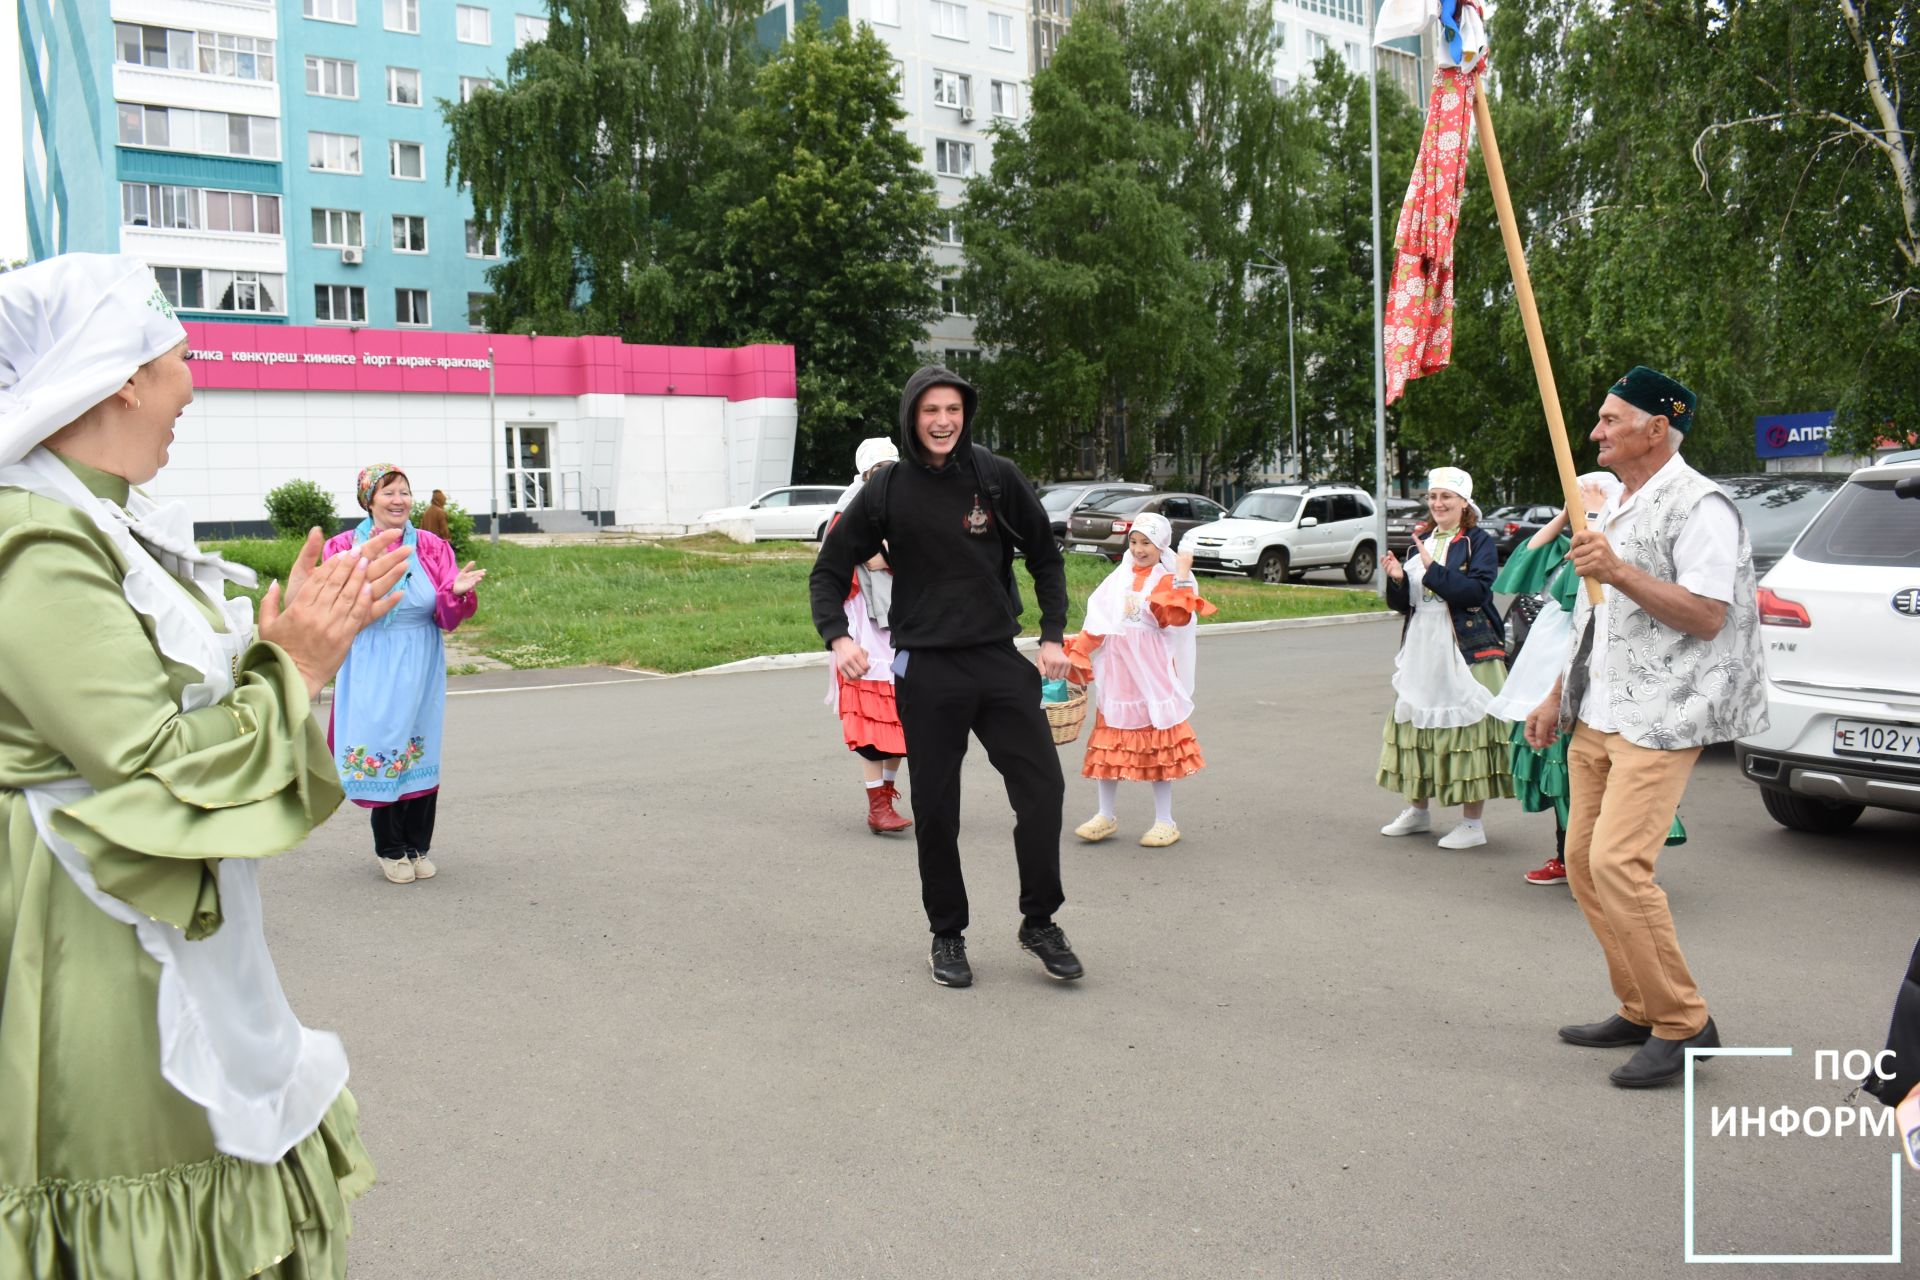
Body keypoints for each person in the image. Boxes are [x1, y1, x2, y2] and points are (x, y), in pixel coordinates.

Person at [0, 254, 413, 1274]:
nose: (193, 381)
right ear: (123, 373)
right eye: (180, 355)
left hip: (136, 908)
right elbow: (142, 763)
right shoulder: (37, 539)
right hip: (93, 930)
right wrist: (298, 663)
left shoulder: (99, 519)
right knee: (147, 1173)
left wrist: (273, 655)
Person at [1525, 366, 1766, 1088]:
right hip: (1598, 711)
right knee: (1584, 869)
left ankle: (1686, 1024)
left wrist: (1621, 570)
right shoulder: (1623, 503)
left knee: (1619, 868)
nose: (1595, 432)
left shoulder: (1703, 506)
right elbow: (1598, 614)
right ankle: (1639, 1005)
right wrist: (1555, 694)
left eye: (1609, 419)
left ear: (1656, 429)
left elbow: (1706, 615)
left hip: (1664, 716)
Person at [809, 365, 1081, 989]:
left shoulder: (994, 475)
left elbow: (1044, 555)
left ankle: (1039, 922)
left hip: (995, 657)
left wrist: (1051, 636)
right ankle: (947, 934)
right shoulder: (886, 491)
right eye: (931, 410)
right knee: (936, 809)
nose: (942, 421)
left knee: (1043, 792)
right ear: (912, 416)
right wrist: (839, 635)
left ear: (966, 414)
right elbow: (828, 570)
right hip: (926, 668)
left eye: (953, 410)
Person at [1488, 471, 1685, 886]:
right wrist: (1566, 515)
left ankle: (1605, 864)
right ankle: (1568, 857)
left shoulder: (1615, 548)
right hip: (1548, 662)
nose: (1582, 511)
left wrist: (1595, 521)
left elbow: (1579, 593)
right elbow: (1515, 574)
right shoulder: (1568, 544)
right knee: (1557, 768)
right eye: (1576, 501)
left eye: (1590, 503)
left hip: (1590, 660)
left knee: (1591, 768)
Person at [325, 465, 485, 884]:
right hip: (370, 658)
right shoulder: (342, 546)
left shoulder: (432, 547)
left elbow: (446, 615)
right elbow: (330, 605)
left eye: (405, 492)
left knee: (420, 747)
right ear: (369, 500)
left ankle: (418, 845)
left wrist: (456, 593)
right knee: (382, 744)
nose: (399, 500)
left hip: (421, 656)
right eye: (389, 492)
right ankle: (390, 848)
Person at [1376, 466, 1515, 849]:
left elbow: (1477, 593)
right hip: (1421, 644)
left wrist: (1432, 569)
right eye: (1433, 497)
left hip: (1463, 648)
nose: (1438, 504)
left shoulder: (1478, 542)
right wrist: (1398, 580)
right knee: (1417, 727)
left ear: (1464, 504)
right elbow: (1406, 605)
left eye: (1446, 498)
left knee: (1467, 733)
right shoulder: (1419, 540)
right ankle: (1418, 812)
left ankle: (1472, 824)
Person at [1063, 513, 1216, 848]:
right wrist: (1078, 651)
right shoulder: (1116, 579)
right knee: (1108, 742)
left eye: (1146, 542)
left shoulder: (1164, 578)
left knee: (1157, 744)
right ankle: (1105, 813)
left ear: (1161, 545)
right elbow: (1098, 623)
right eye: (1134, 541)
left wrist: (1182, 580)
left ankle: (1165, 820)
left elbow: (1173, 617)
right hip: (1118, 672)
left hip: (1150, 671)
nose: (1139, 548)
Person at [825, 436, 910, 834]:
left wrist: (889, 558)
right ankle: (876, 805)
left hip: (906, 624)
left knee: (901, 720)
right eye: (878, 472)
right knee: (871, 718)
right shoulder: (846, 516)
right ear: (864, 476)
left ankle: (888, 797)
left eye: (891, 470)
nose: (885, 480)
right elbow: (830, 576)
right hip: (863, 627)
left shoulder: (908, 510)